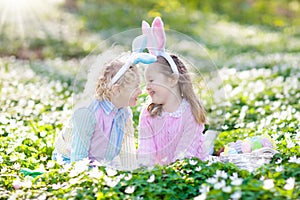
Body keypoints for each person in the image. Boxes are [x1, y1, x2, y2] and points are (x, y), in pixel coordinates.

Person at [53, 40, 156, 170]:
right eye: (135, 87)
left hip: (100, 161)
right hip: (70, 160)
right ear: (117, 90)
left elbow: (126, 149)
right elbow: (78, 156)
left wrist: (131, 174)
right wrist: (85, 175)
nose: (140, 91)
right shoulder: (87, 113)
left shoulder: (124, 112)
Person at [137, 17, 211, 167]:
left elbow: (186, 153)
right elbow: (146, 151)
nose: (147, 87)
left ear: (172, 79)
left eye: (151, 80)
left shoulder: (190, 111)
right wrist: (146, 174)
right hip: (162, 175)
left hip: (192, 171)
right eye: (146, 82)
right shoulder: (148, 113)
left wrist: (173, 173)